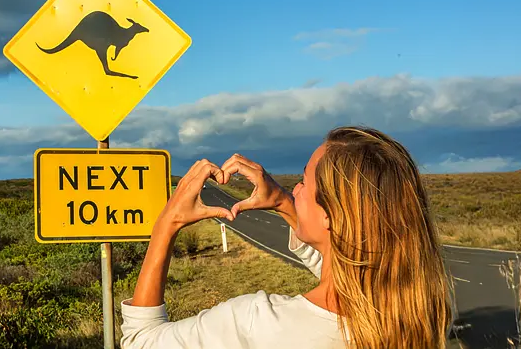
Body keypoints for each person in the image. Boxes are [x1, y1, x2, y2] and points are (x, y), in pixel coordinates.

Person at [119, 126, 454, 349]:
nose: (295, 190)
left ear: (331, 216)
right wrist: (282, 202)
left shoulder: (258, 325)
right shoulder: (420, 312)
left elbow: (140, 340)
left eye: (304, 183)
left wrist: (166, 225)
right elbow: (344, 268)